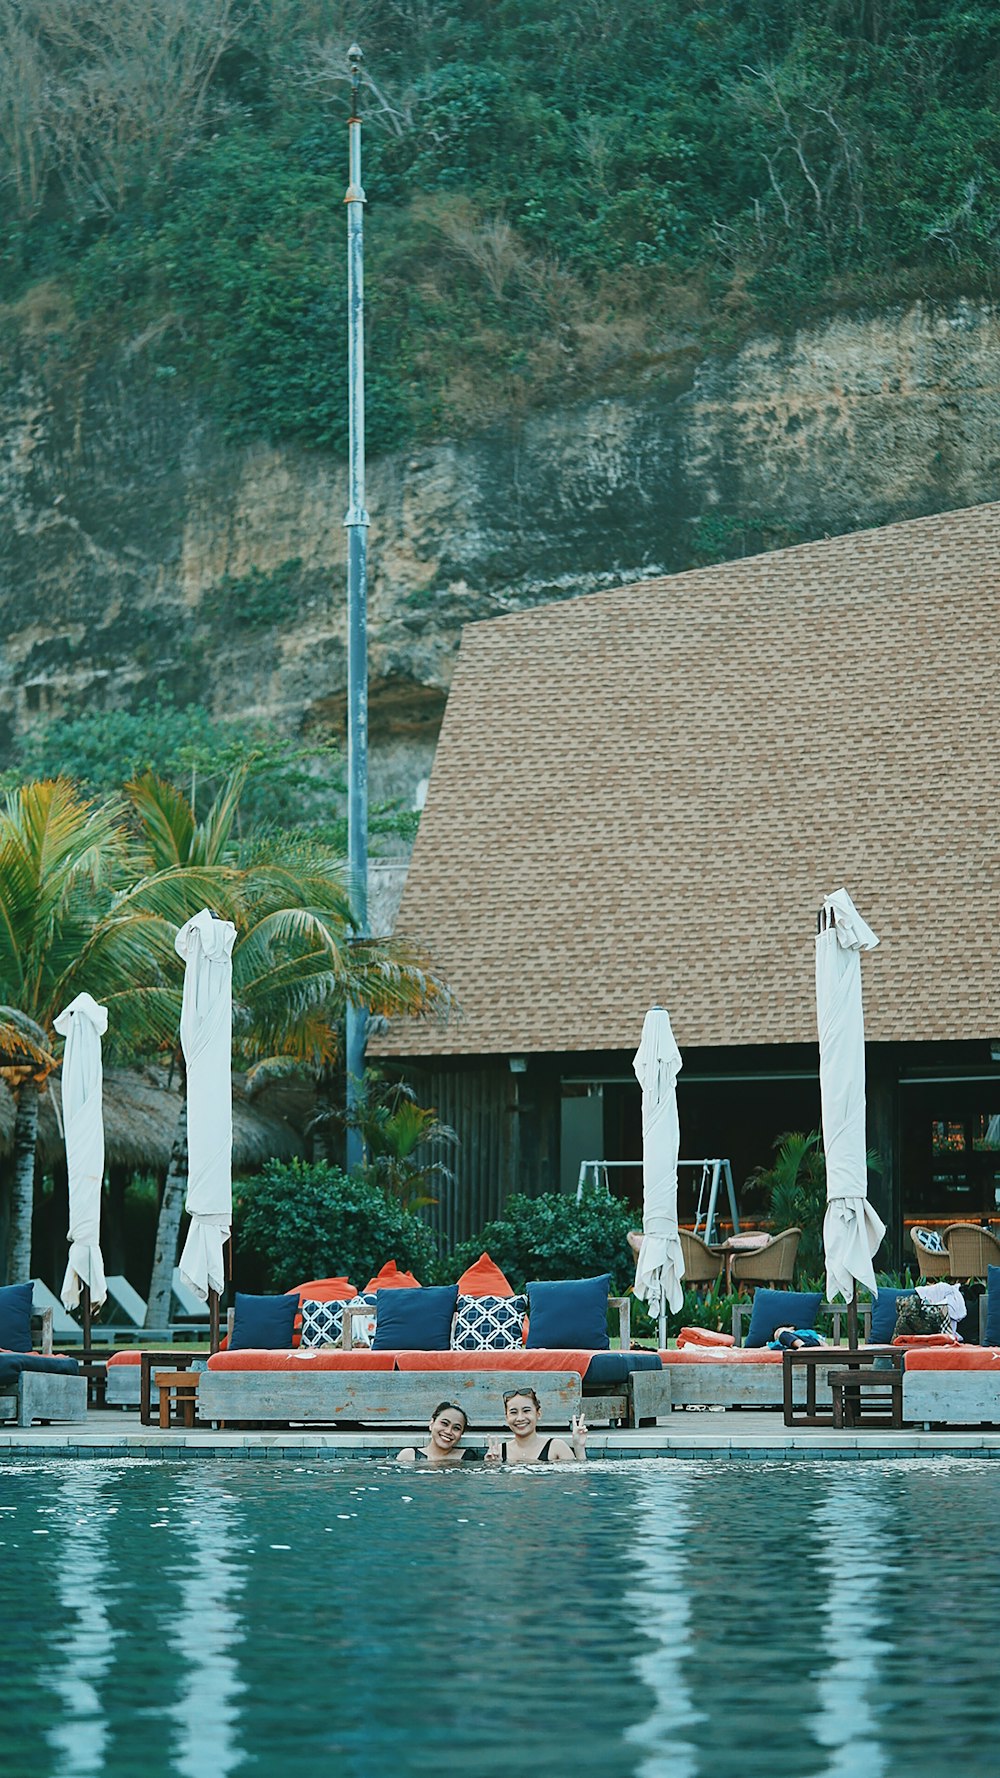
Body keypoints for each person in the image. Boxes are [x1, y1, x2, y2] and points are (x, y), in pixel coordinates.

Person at [485, 1388, 588, 1463]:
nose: (520, 1418)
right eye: (513, 1412)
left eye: (526, 1411)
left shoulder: (557, 1447)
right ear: (506, 1417)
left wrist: (579, 1448)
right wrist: (493, 1467)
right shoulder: (498, 1452)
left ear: (538, 1414)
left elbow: (577, 1482)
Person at [397, 1401, 481, 1464]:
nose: (448, 1431)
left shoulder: (468, 1458)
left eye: (456, 1428)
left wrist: (492, 1464)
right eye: (444, 1423)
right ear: (431, 1424)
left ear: (461, 1434)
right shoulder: (409, 1456)